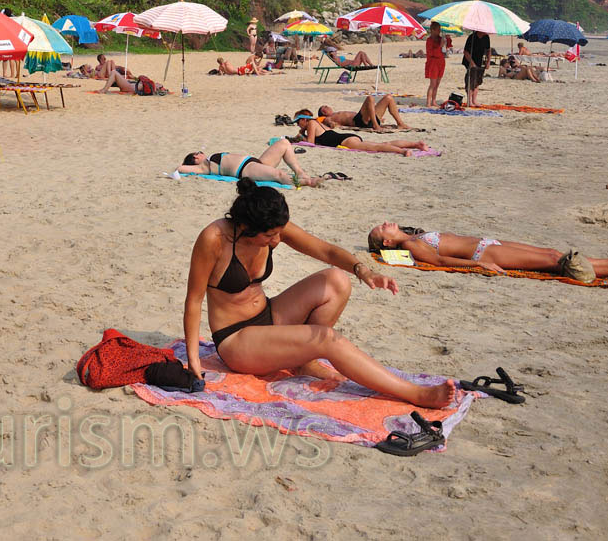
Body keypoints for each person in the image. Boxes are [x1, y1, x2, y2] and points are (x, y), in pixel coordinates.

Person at [181, 180, 456, 408]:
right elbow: (194, 300)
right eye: (270, 237)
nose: (277, 241)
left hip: (269, 316)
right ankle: (416, 394)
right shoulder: (214, 239)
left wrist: (364, 272)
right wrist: (193, 359)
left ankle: (303, 362)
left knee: (336, 280)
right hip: (237, 340)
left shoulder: (272, 225)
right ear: (246, 227)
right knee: (326, 339)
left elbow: (325, 251)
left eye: (279, 233)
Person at [367, 223, 608, 280]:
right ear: (388, 243)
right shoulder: (410, 245)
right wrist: (479, 266)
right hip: (484, 255)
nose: (386, 224)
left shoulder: (414, 236)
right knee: (553, 261)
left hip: (488, 244)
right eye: (383, 230)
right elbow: (440, 260)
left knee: (551, 251)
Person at [177, 139, 323, 187]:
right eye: (197, 153)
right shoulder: (204, 167)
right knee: (278, 174)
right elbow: (180, 168)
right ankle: (307, 182)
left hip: (256, 162)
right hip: (245, 169)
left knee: (284, 143)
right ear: (195, 159)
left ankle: (299, 172)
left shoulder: (208, 160)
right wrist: (191, 166)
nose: (200, 153)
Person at [293, 111, 430, 157]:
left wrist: (300, 136)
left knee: (377, 147)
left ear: (304, 120)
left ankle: (402, 151)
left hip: (344, 141)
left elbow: (310, 143)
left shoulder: (311, 123)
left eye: (298, 123)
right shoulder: (317, 123)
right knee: (381, 144)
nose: (298, 125)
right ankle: (415, 144)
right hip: (346, 138)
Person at [316, 95, 409, 130]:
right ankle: (376, 125)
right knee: (370, 98)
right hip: (359, 121)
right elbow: (329, 124)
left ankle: (400, 123)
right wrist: (333, 124)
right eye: (325, 107)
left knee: (388, 98)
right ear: (323, 111)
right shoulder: (328, 118)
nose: (328, 106)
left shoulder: (336, 113)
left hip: (367, 118)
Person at [461, 30, 491, 108]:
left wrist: (488, 61)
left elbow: (488, 50)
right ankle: (469, 100)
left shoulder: (486, 37)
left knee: (478, 81)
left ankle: (474, 100)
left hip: (480, 61)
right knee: (471, 81)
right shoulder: (472, 37)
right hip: (470, 61)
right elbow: (466, 52)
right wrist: (472, 63)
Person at [424, 21, 446, 108]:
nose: (439, 32)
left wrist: (446, 41)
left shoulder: (440, 39)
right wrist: (440, 46)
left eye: (439, 30)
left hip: (441, 61)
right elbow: (431, 53)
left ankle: (433, 101)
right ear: (432, 30)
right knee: (432, 84)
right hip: (433, 62)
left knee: (437, 84)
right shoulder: (429, 40)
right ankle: (428, 102)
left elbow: (446, 48)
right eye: (437, 30)